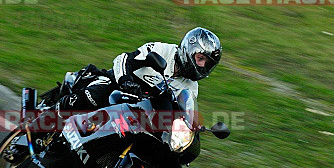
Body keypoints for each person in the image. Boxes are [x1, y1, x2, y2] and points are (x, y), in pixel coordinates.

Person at [54, 27, 222, 112]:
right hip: (117, 86)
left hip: (139, 111)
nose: (202, 66)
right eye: (200, 59)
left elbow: (180, 114)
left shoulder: (191, 88)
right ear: (189, 51)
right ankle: (50, 118)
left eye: (207, 63)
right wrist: (125, 82)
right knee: (95, 95)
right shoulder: (162, 50)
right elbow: (123, 59)